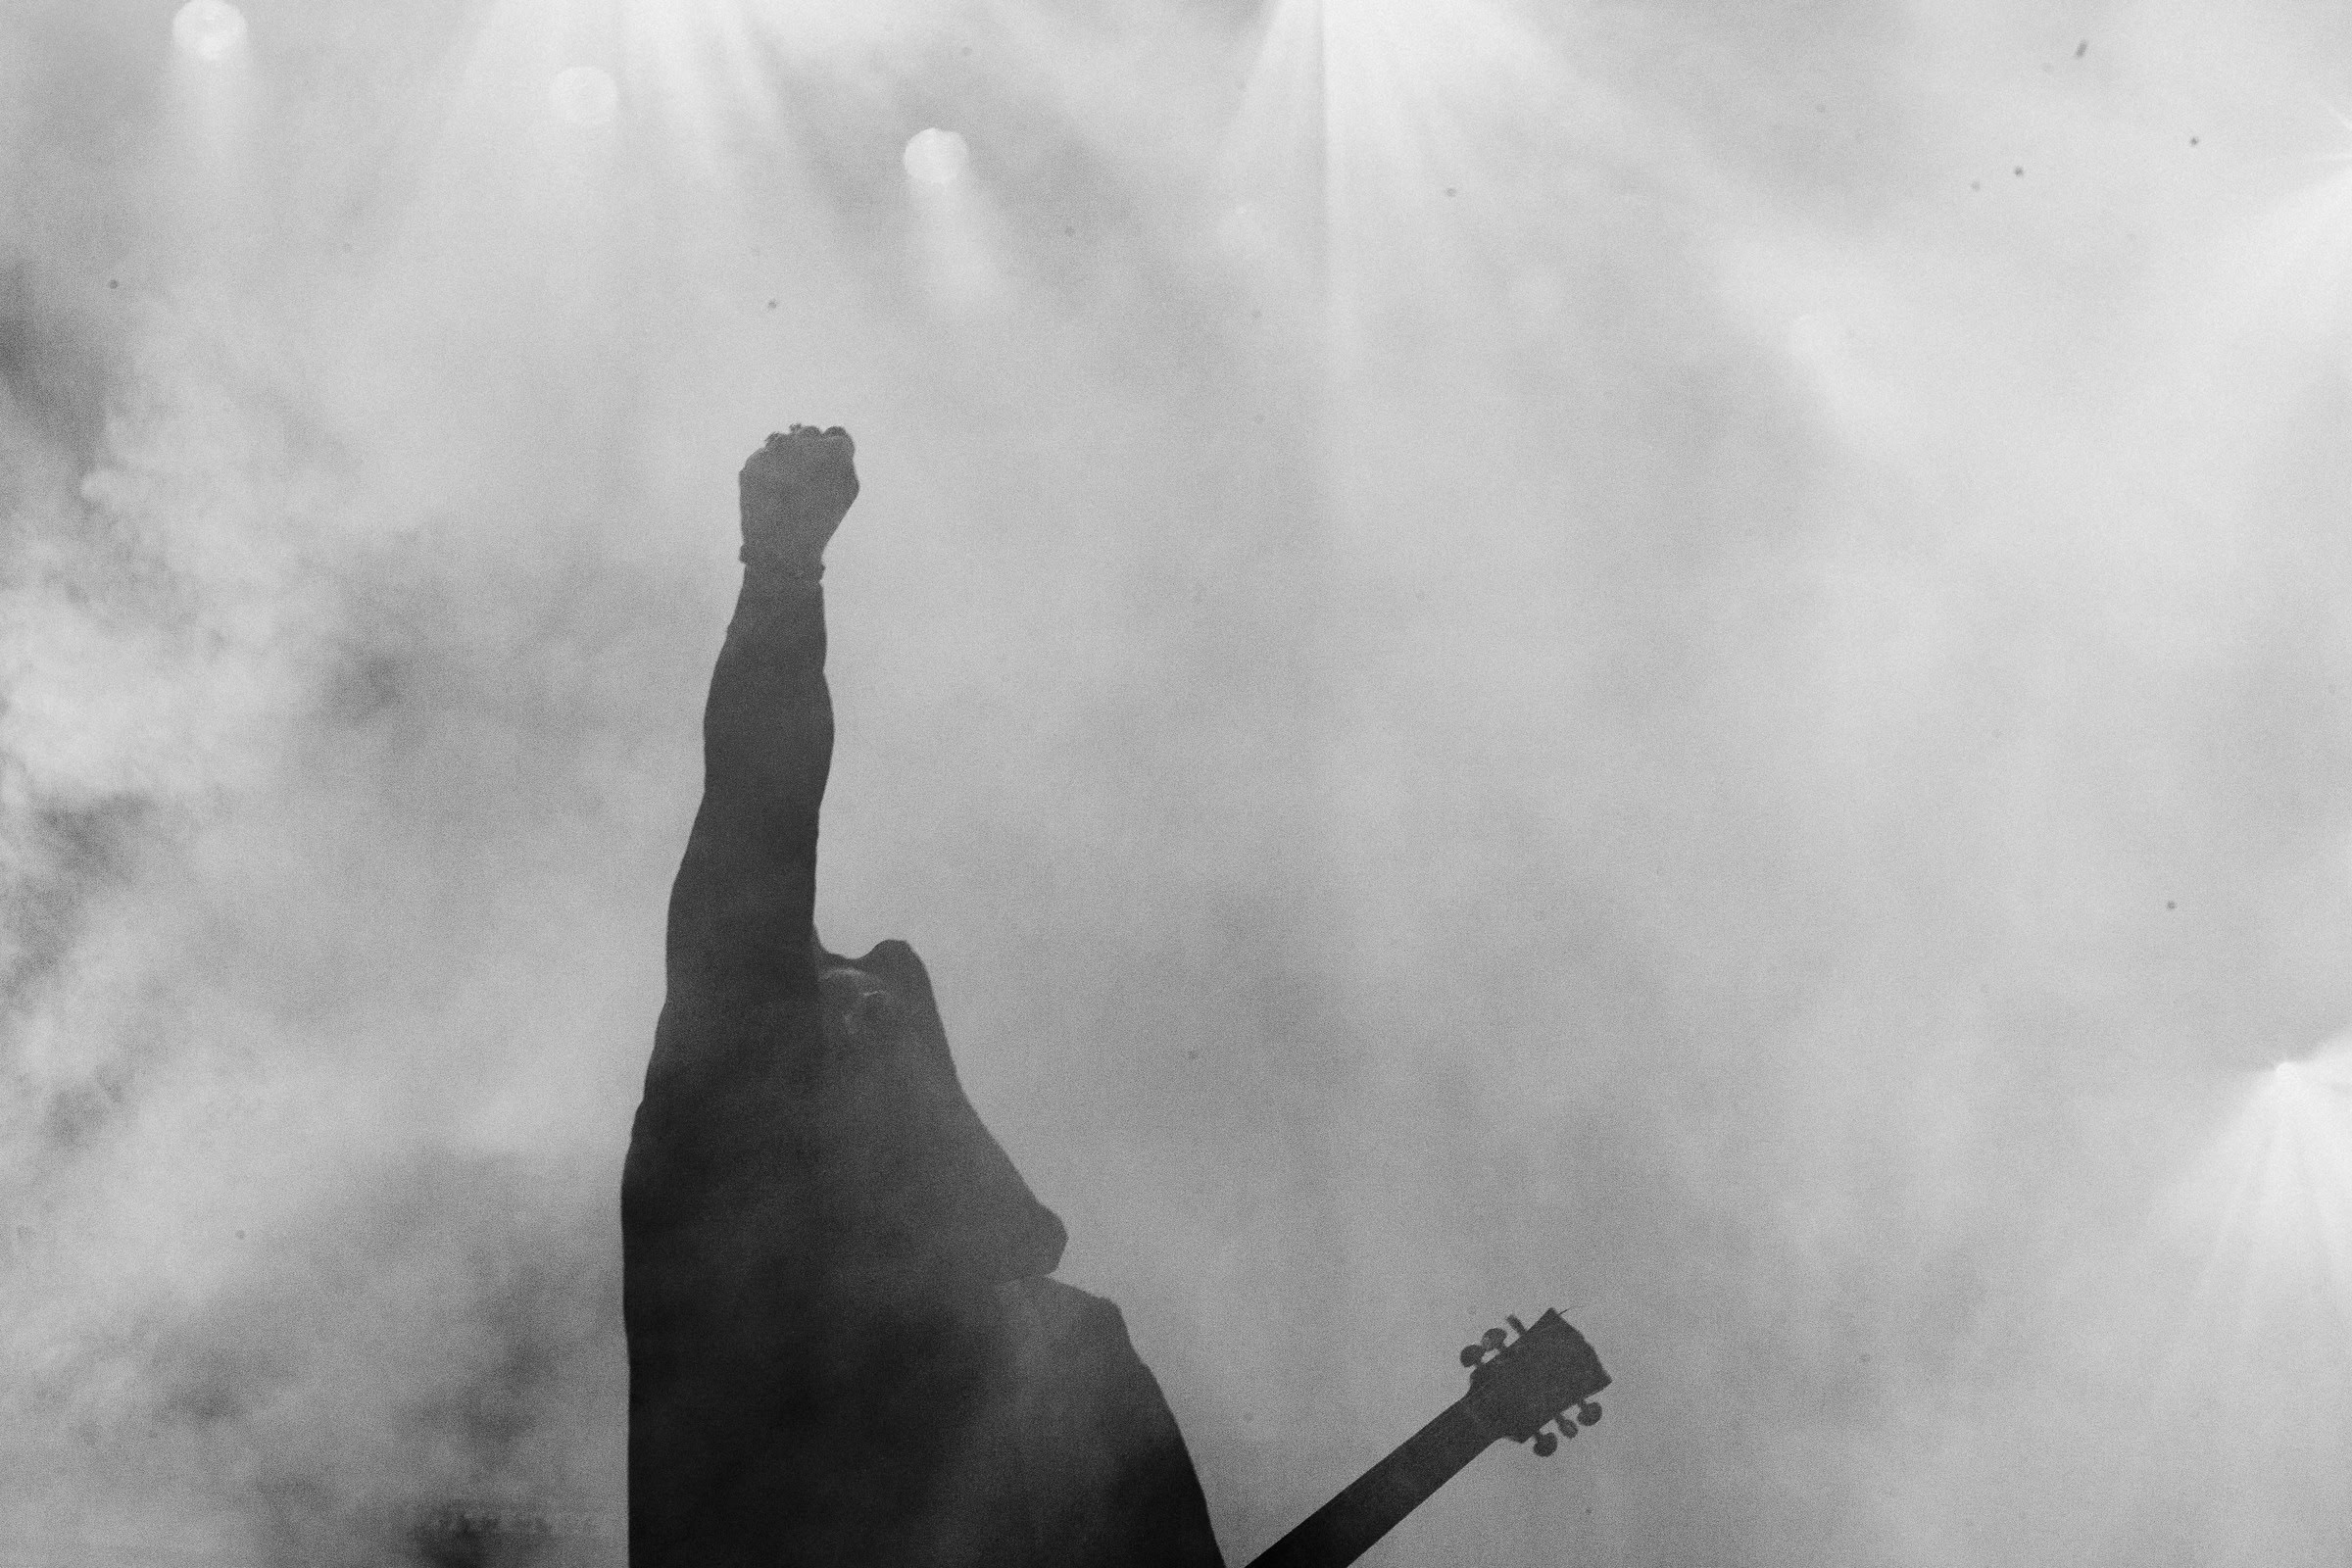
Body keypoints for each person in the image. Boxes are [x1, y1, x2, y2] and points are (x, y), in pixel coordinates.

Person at [619, 426, 1227, 1568]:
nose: (865, 997)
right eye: (840, 992)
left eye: (882, 1005)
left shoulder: (1059, 1358)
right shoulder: (732, 1135)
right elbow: (760, 806)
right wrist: (782, 573)